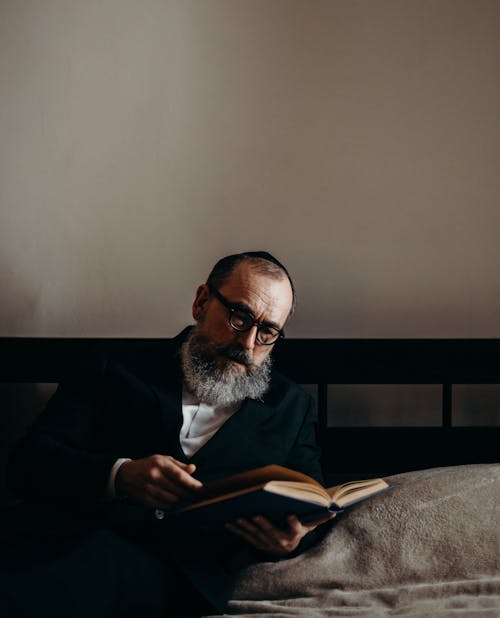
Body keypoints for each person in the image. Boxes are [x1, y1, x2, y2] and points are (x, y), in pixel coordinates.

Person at [1, 251, 333, 617]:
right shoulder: (115, 367)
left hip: (184, 579)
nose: (248, 344)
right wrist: (120, 476)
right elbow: (28, 464)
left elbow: (313, 503)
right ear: (201, 302)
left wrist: (292, 539)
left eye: (268, 330)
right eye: (240, 317)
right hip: (68, 546)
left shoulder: (292, 407)